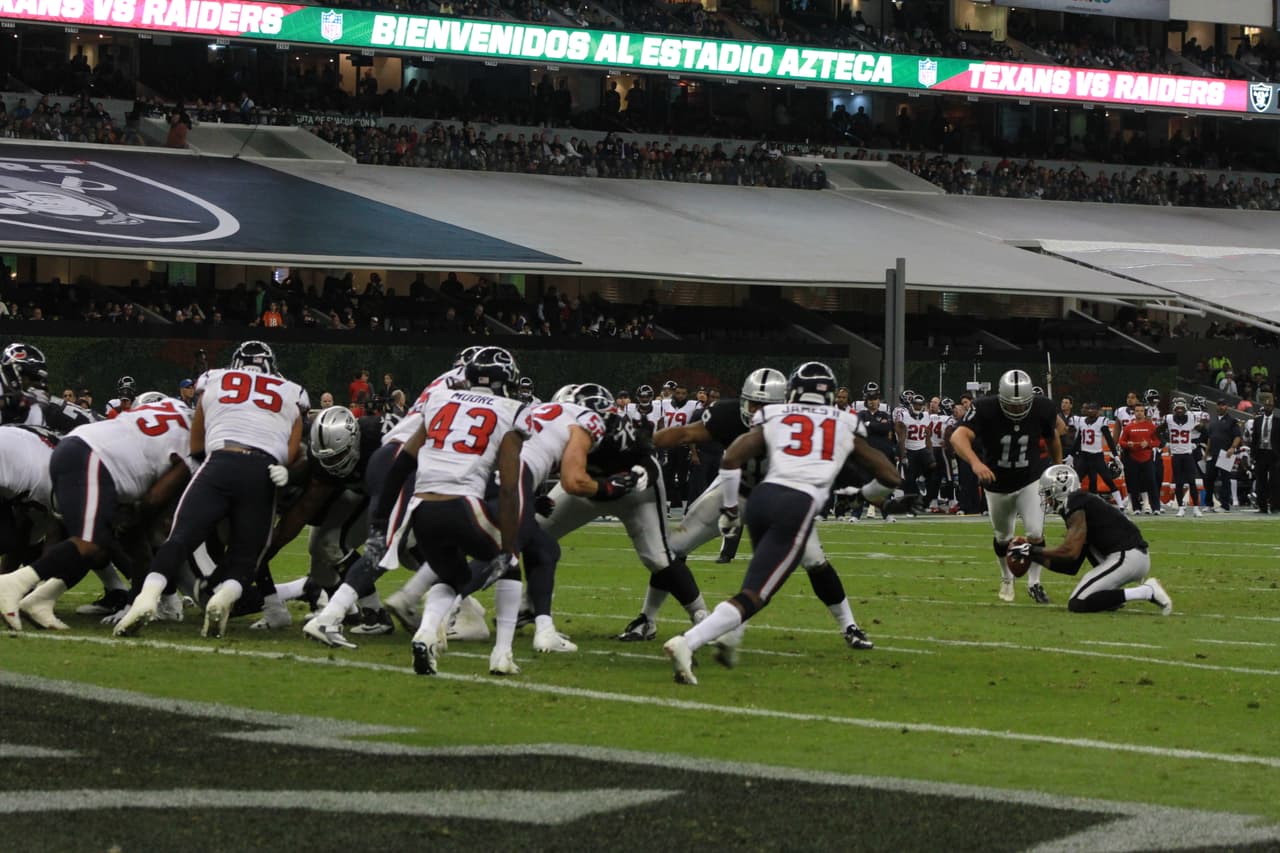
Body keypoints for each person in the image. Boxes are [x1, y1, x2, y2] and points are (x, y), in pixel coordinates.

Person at [661, 362, 906, 685]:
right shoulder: (845, 421)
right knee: (757, 593)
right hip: (797, 507)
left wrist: (732, 508)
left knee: (760, 581)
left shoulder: (774, 415)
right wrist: (864, 495)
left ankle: (728, 638)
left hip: (762, 498)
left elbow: (731, 458)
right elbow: (890, 476)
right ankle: (688, 642)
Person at [114, 341, 305, 639]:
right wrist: (285, 466)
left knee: (178, 540)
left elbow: (196, 445)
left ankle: (146, 598)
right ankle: (223, 598)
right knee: (246, 554)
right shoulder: (292, 391)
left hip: (218, 463)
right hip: (262, 470)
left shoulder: (212, 379)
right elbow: (293, 443)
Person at [0, 394, 195, 630]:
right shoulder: (194, 442)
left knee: (98, 542)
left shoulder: (174, 410)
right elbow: (153, 502)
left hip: (82, 453)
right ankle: (13, 584)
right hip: (89, 458)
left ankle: (41, 599)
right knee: (90, 541)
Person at [949, 369, 1062, 604]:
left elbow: (1053, 438)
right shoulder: (985, 408)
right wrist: (976, 463)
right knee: (1003, 537)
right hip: (996, 481)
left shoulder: (1044, 407)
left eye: (1023, 405)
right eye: (1013, 404)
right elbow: (957, 438)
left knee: (1035, 532)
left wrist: (1057, 469)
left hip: (1030, 478)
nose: (1019, 409)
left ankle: (1034, 583)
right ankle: (1006, 577)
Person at [1009, 465, 1172, 616]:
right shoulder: (1080, 504)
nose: (1046, 499)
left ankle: (1147, 591)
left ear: (1061, 488)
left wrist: (1031, 550)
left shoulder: (1074, 501)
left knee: (1078, 602)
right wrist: (1033, 556)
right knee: (1086, 599)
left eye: (1047, 493)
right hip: (1127, 556)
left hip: (1127, 556)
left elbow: (1070, 551)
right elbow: (1071, 565)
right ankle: (1109, 599)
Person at [1069, 401, 1125, 510]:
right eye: (1089, 409)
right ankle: (1072, 503)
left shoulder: (1102, 421)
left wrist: (1115, 455)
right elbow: (1079, 439)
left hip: (1097, 456)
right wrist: (1071, 455)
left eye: (1093, 409)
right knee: (1076, 480)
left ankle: (1120, 504)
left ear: (1098, 411)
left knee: (1107, 479)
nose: (1091, 411)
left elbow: (1109, 439)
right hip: (1084, 456)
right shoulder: (1081, 421)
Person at [1160, 397, 1204, 517]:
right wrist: (1165, 443)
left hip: (1188, 454)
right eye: (1177, 408)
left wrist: (1197, 443)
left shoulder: (1192, 417)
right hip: (1176, 455)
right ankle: (1181, 507)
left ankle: (1195, 508)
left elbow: (1204, 431)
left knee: (1192, 482)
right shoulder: (1168, 419)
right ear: (1174, 408)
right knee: (1178, 483)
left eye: (1181, 408)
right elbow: (1157, 432)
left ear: (1185, 408)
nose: (1179, 410)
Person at [1118, 404, 1161, 515]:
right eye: (1137, 411)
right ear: (1134, 413)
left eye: (1141, 411)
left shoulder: (1151, 426)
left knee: (1151, 482)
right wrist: (1128, 444)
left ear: (1144, 413)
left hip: (1147, 457)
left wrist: (1148, 444)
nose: (1139, 413)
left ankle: (1156, 507)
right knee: (1134, 483)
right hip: (1133, 458)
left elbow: (1158, 442)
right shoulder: (1128, 427)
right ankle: (1136, 508)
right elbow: (1121, 442)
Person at [1203, 399, 1243, 512]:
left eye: (1223, 405)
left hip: (1225, 454)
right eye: (1219, 405)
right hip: (1213, 453)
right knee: (1209, 479)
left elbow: (1237, 436)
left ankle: (1225, 505)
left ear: (1227, 407)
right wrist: (1206, 453)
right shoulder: (1213, 420)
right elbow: (1210, 438)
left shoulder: (1232, 421)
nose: (1221, 407)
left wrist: (1232, 447)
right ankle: (1209, 503)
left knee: (1225, 479)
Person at [1248, 394, 1278, 514]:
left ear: (1273, 407)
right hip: (1260, 453)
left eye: (1270, 405)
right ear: (1263, 406)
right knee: (1261, 481)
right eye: (1266, 405)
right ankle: (1262, 506)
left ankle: (1275, 506)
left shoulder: (1277, 421)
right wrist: (1252, 453)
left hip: (1274, 454)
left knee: (1275, 481)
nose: (1268, 407)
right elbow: (1254, 438)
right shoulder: (1257, 421)